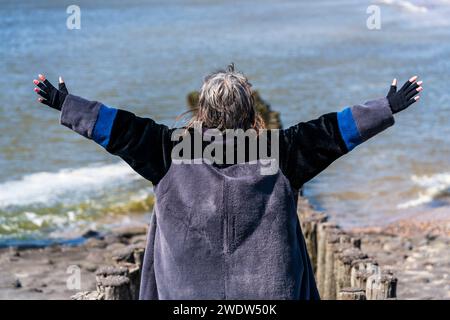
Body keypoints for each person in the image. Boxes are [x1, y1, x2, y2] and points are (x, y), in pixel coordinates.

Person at [32, 64, 422, 300]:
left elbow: (118, 129)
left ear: (201, 111)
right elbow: (333, 133)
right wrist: (388, 105)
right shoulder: (279, 151)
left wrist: (63, 102)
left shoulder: (169, 149)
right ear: (249, 112)